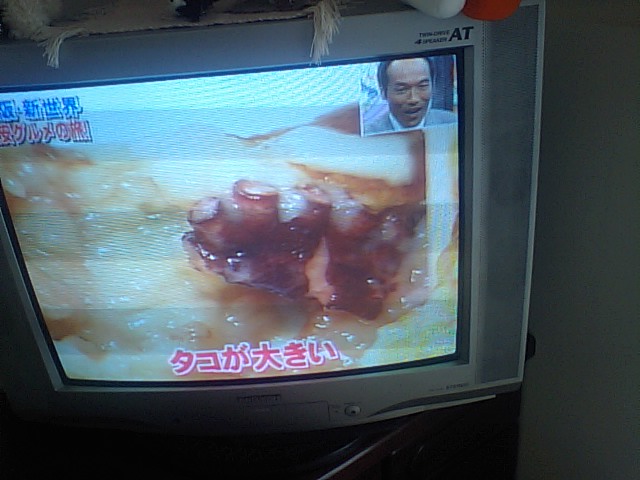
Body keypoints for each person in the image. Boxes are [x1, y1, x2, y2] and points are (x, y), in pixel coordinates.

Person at [363, 57, 457, 135]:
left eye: (422, 86)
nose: (413, 99)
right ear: (383, 92)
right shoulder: (367, 135)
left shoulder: (454, 123)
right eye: (402, 89)